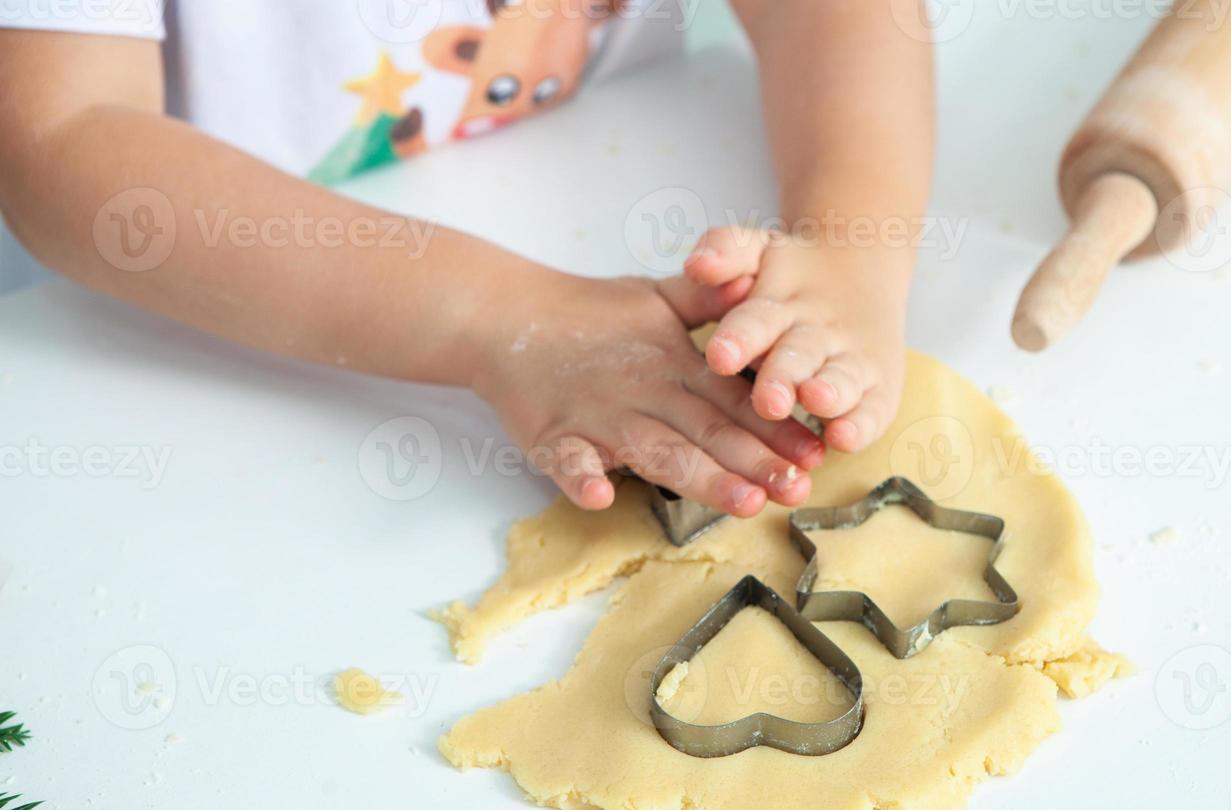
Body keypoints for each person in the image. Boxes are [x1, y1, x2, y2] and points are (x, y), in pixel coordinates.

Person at [0, 0, 934, 518]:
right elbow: (62, 142)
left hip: (622, 148)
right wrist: (497, 318)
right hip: (154, 359)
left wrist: (854, 243)